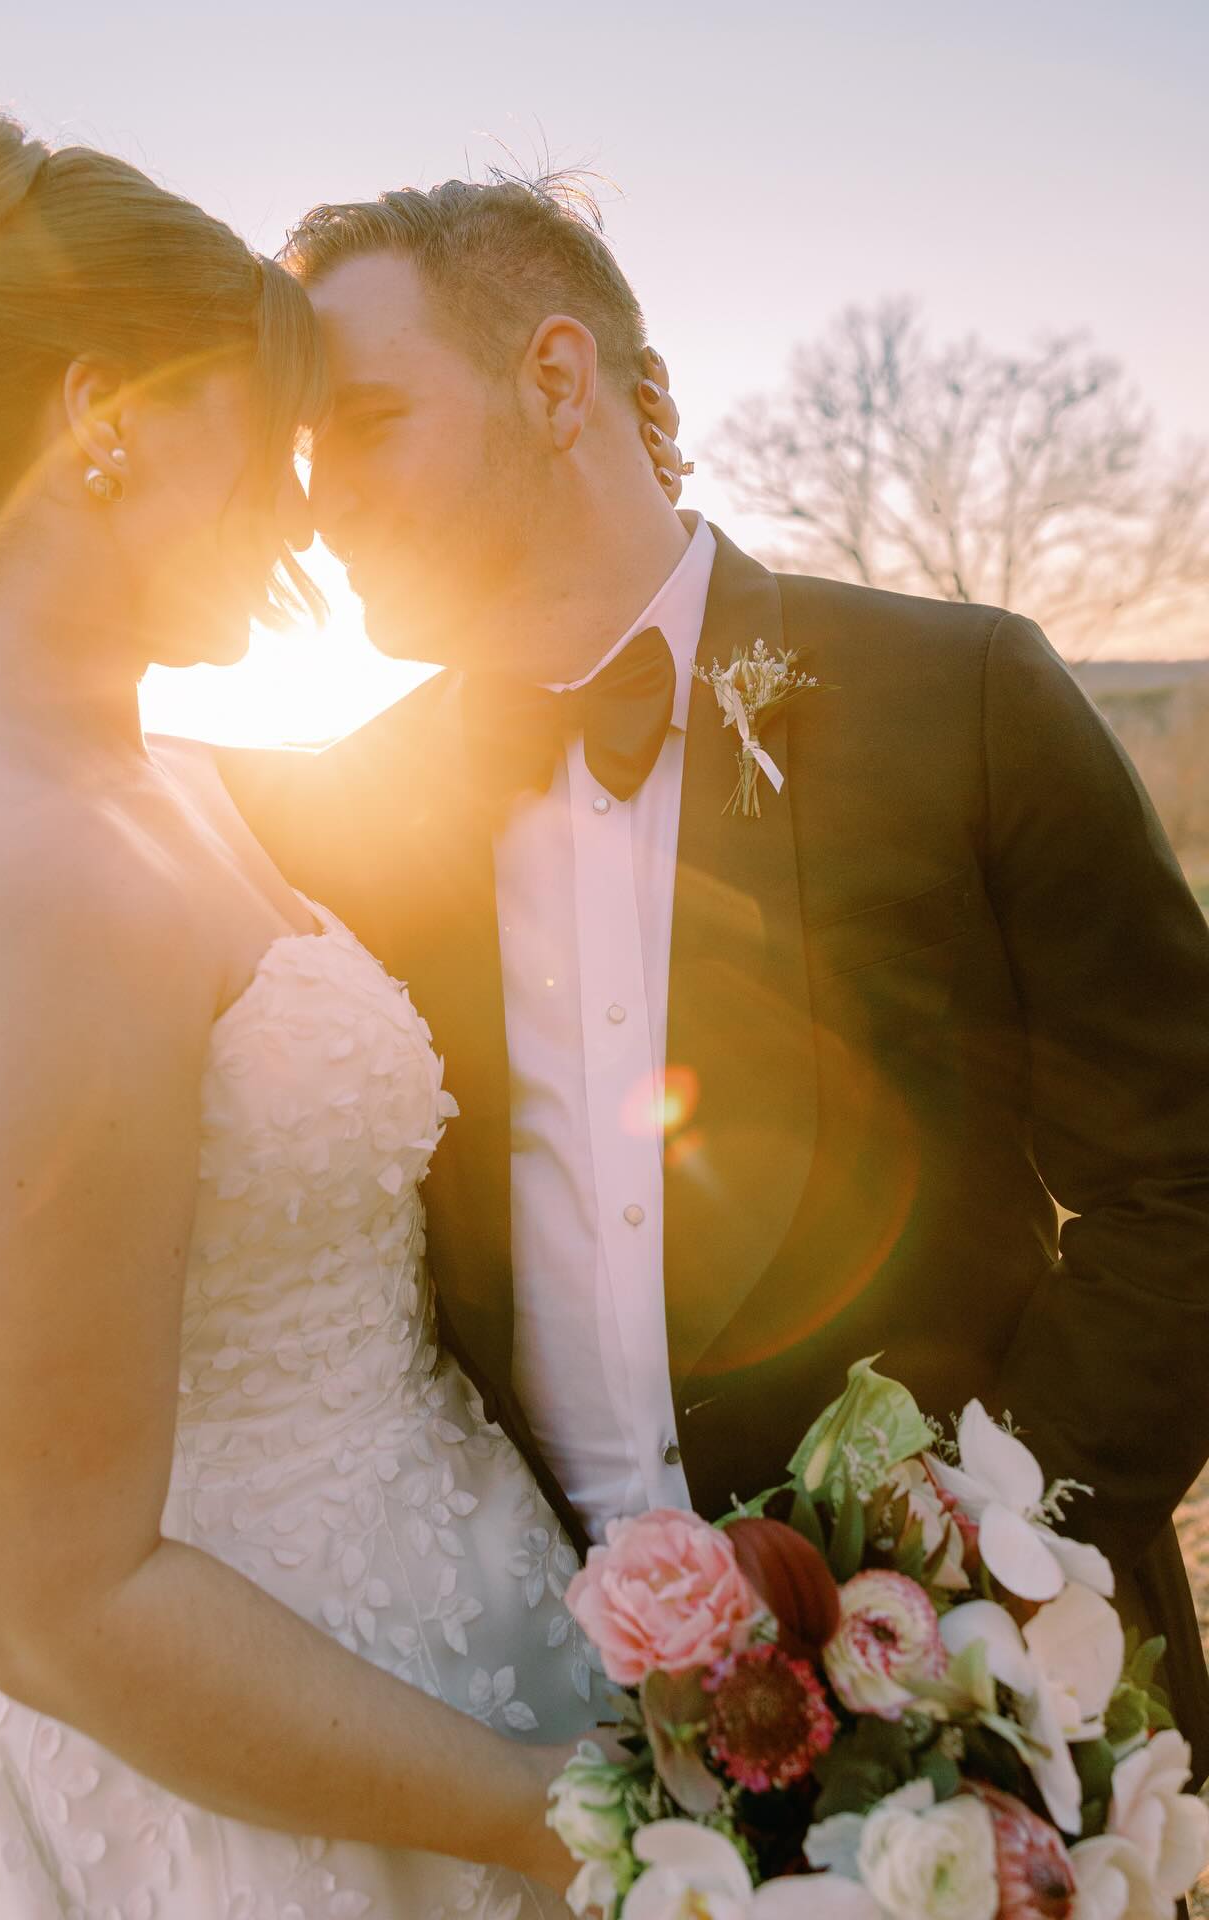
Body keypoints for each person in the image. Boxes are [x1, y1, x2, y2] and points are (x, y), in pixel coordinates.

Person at [0, 99, 690, 1917]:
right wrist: (550, 1814)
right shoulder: (4, 859)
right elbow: (42, 1599)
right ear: (102, 420)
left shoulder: (160, 769)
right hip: (250, 1804)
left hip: (446, 1628)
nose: (308, 504)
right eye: (267, 440)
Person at [177, 176, 1209, 1773]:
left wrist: (991, 1550)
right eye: (304, 457)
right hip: (569, 1733)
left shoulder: (966, 701)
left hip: (998, 1707)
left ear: (556, 379)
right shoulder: (333, 819)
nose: (319, 501)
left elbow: (1183, 1183)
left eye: (367, 423)